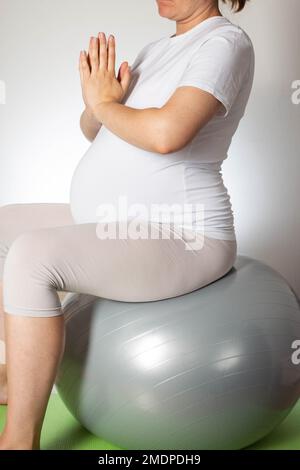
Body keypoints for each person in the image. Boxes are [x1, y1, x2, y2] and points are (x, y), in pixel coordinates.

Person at [0, 0, 254, 449]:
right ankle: (12, 377)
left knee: (31, 257)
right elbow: (99, 129)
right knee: (5, 230)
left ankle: (20, 438)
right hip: (120, 220)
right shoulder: (156, 50)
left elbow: (165, 134)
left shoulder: (224, 43)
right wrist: (97, 105)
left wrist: (105, 104)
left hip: (183, 234)